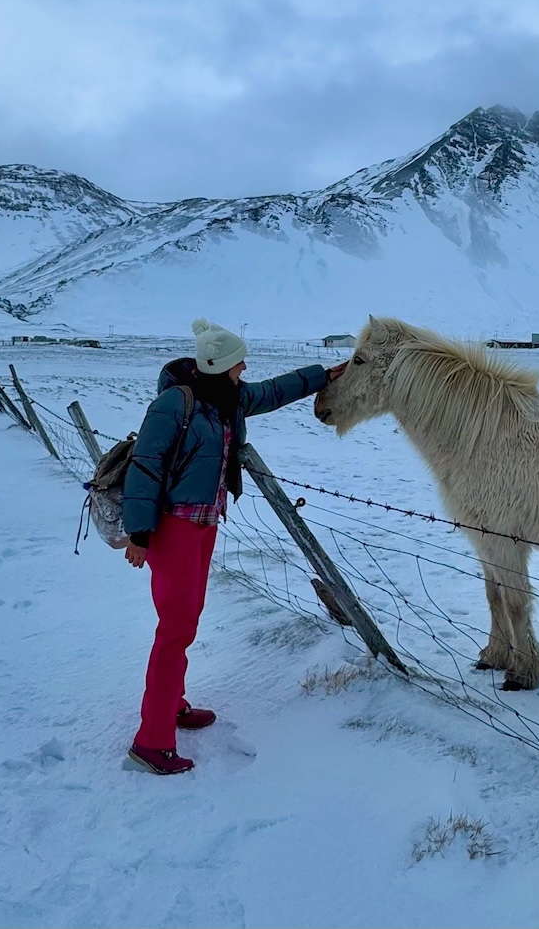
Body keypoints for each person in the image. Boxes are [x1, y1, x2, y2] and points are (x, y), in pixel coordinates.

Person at [120, 318, 345, 775]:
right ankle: (152, 741)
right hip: (171, 529)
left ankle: (172, 706)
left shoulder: (230, 398)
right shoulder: (173, 404)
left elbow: (274, 391)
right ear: (219, 365)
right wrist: (139, 535)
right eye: (239, 361)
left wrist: (325, 375)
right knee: (175, 629)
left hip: (203, 526)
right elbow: (145, 466)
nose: (245, 366)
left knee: (184, 621)